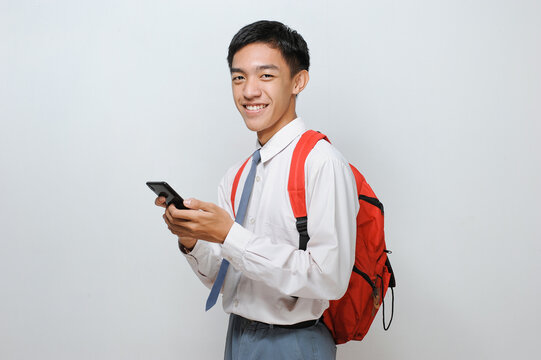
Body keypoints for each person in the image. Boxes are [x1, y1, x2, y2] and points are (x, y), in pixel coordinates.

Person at [155, 20, 359, 360]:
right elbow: (224, 277)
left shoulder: (322, 163)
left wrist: (229, 235)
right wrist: (191, 239)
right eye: (239, 77)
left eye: (266, 76)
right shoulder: (236, 176)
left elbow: (330, 278)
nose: (249, 91)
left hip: (295, 341)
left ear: (298, 81)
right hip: (237, 336)